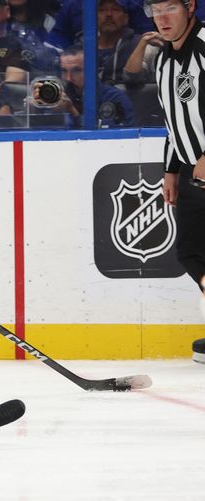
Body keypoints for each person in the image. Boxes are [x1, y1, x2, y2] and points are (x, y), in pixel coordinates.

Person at [146, 0, 205, 364]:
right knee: (191, 253)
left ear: (190, 6)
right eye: (155, 9)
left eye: (170, 7)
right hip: (190, 174)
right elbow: (172, 120)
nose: (162, 18)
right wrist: (171, 169)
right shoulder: (163, 60)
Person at [30, 46, 135, 128]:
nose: (68, 78)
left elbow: (110, 138)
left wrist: (72, 111)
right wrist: (36, 111)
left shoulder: (114, 98)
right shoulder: (56, 96)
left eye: (77, 71)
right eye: (64, 71)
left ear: (93, 70)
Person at [97, 0, 143, 84]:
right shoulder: (82, 47)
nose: (109, 14)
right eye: (102, 10)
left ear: (126, 18)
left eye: (115, 9)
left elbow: (133, 78)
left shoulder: (140, 45)